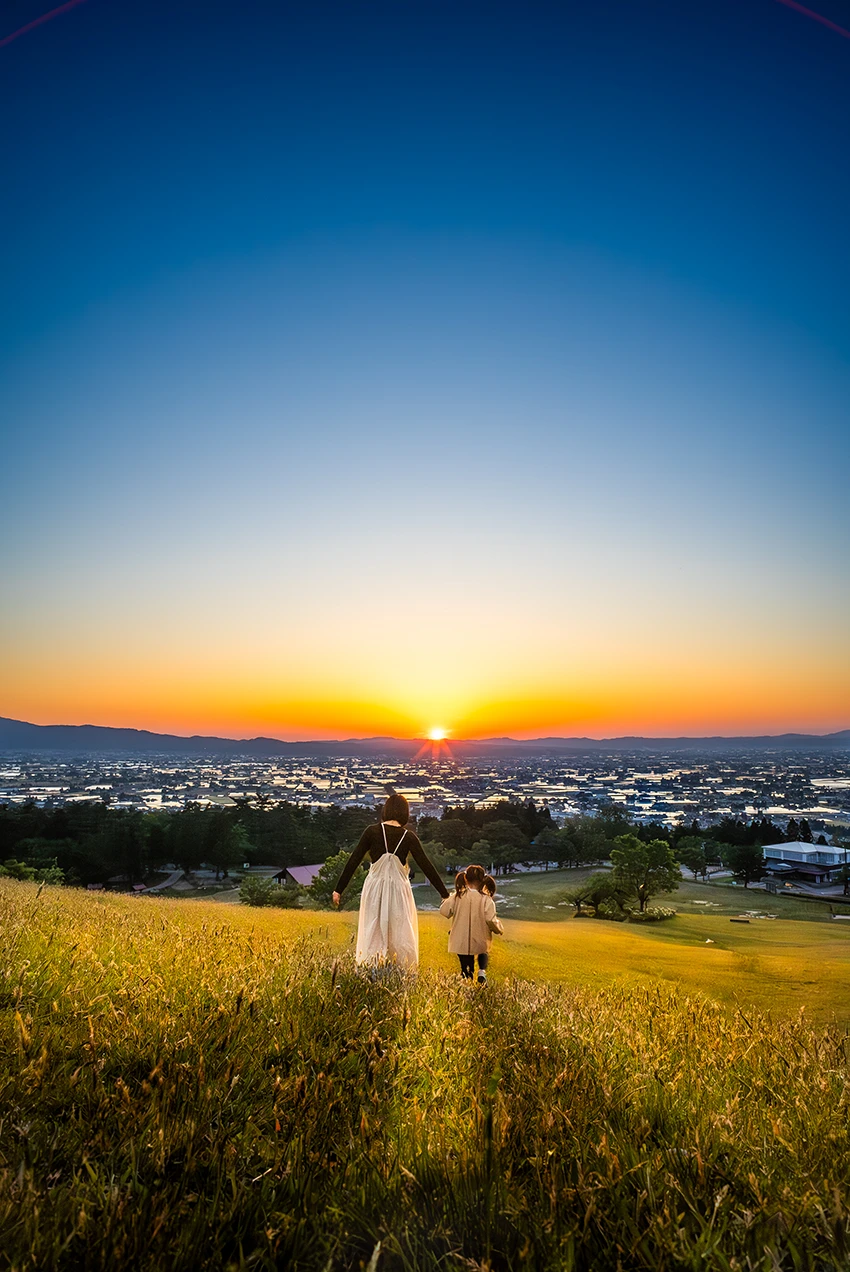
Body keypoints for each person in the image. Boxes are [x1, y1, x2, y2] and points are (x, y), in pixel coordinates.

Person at [332, 793, 449, 970]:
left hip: (374, 888)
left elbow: (354, 859)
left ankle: (370, 971)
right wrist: (444, 894)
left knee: (372, 931)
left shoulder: (371, 831)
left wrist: (338, 889)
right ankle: (401, 973)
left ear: (385, 810)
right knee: (401, 933)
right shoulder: (408, 837)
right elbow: (427, 866)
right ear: (405, 812)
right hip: (399, 890)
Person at [440, 863, 503, 982]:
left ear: (466, 879)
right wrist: (499, 928)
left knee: (465, 965)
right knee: (483, 952)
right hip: (480, 937)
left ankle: (467, 978)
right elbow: (490, 919)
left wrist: (447, 898)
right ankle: (482, 971)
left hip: (461, 938)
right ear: (483, 880)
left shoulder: (458, 896)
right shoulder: (486, 899)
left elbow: (444, 911)